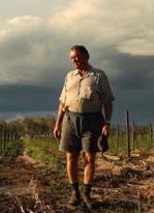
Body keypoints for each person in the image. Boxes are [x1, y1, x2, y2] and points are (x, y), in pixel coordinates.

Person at [53, 45, 114, 208]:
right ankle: (75, 193)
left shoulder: (99, 76)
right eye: (72, 58)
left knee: (90, 157)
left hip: (93, 120)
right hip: (70, 120)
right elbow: (62, 102)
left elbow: (108, 101)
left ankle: (87, 194)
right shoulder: (69, 76)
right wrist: (57, 124)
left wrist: (107, 122)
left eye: (76, 57)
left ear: (86, 57)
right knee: (71, 157)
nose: (74, 61)